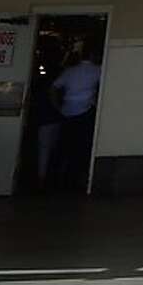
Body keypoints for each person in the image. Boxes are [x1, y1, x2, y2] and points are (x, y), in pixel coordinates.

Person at [48, 38, 102, 192]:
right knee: (81, 148)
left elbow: (53, 88)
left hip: (66, 112)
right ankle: (74, 180)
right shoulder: (98, 70)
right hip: (85, 112)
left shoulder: (70, 71)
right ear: (93, 55)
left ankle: (55, 180)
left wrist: (58, 107)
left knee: (63, 146)